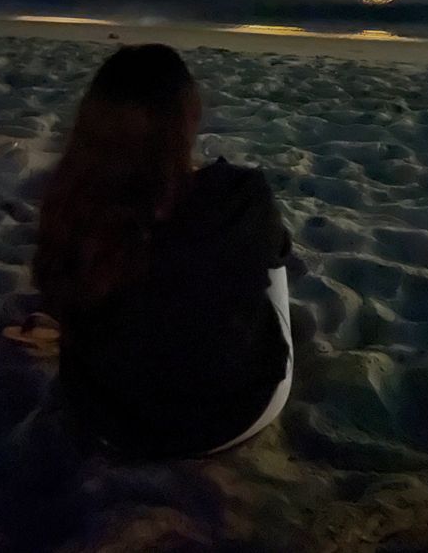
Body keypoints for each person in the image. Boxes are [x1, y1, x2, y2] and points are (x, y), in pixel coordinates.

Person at [32, 43, 292, 460]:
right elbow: (277, 254)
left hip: (103, 418)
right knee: (269, 262)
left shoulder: (70, 202)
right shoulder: (238, 195)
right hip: (233, 416)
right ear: (186, 118)